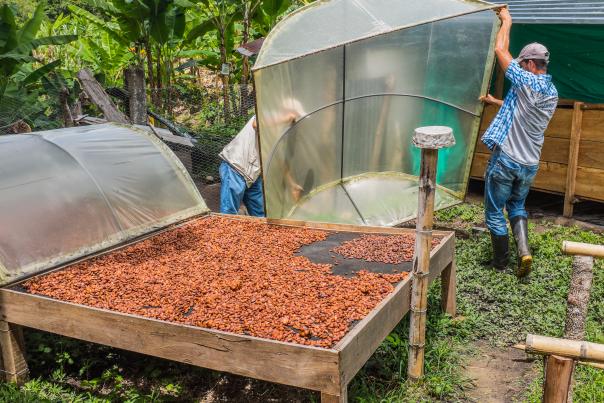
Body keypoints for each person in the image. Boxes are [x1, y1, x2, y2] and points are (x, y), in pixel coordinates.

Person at [480, 7, 558, 277]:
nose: (520, 66)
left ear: (528, 64)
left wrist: (507, 19)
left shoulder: (526, 80)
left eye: (522, 63)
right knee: (517, 206)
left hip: (507, 161)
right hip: (529, 164)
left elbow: (500, 50)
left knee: (493, 211)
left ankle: (500, 264)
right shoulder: (551, 91)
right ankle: (523, 252)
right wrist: (496, 102)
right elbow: (523, 108)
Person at [219, 116, 265, 217]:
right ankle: (227, 232)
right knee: (229, 213)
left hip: (254, 174)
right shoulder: (266, 111)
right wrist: (286, 118)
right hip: (236, 167)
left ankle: (263, 232)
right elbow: (256, 124)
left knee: (260, 213)